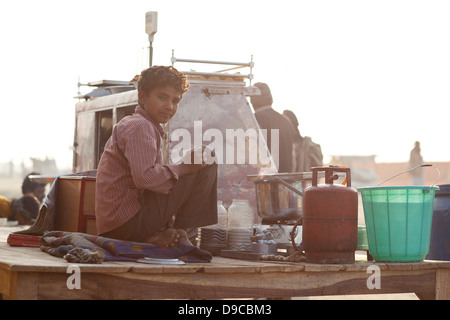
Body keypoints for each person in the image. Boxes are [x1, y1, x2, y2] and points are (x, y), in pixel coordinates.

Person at [95, 65, 218, 248]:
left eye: (175, 101)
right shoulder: (140, 126)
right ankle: (181, 231)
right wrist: (185, 167)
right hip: (125, 223)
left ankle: (157, 235)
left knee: (199, 159)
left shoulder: (143, 125)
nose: (169, 106)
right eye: (162, 98)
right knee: (208, 158)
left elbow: (150, 184)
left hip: (118, 224)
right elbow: (145, 178)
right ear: (142, 97)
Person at [250, 82, 295, 173]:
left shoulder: (255, 120)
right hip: (286, 181)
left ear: (252, 100)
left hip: (266, 182)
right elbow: (293, 159)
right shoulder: (286, 121)